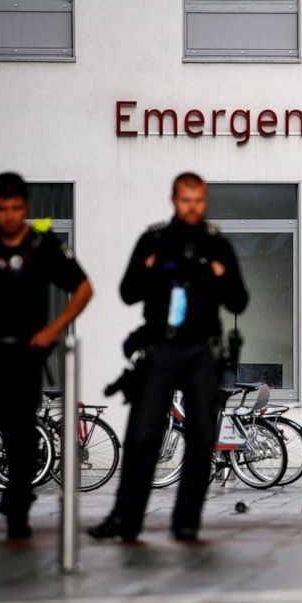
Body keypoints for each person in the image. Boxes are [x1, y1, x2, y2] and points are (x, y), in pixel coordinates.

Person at [89, 172, 248, 542]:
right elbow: (127, 293)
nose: (192, 207)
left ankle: (187, 521)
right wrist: (148, 269)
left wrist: (221, 275)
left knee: (201, 436)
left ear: (205, 201)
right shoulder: (154, 239)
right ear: (173, 199)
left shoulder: (217, 245)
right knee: (143, 434)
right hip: (160, 348)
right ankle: (126, 519)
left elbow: (238, 301)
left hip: (201, 353)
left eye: (198, 200)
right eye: (185, 200)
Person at [0, 172, 93, 548]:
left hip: (24, 356)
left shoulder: (42, 246)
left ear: (25, 208)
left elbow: (83, 288)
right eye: (1, 209)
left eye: (15, 208)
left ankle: (17, 514)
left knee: (22, 440)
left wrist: (53, 330)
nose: (9, 216)